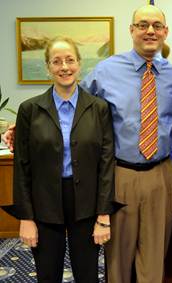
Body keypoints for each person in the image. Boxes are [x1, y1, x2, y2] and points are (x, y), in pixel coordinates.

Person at [80, 5, 172, 283]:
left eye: (157, 25)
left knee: (154, 257)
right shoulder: (106, 71)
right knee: (118, 259)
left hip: (161, 175)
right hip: (119, 174)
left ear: (165, 32)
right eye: (143, 24)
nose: (150, 30)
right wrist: (31, 124)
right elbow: (75, 107)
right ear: (131, 30)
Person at [6, 37, 116, 283]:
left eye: (70, 60)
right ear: (48, 67)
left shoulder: (99, 109)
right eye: (56, 62)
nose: (64, 67)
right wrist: (26, 218)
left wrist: (103, 216)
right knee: (47, 274)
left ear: (79, 64)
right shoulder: (29, 110)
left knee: (88, 274)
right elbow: (22, 168)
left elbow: (106, 165)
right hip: (44, 204)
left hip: (86, 205)